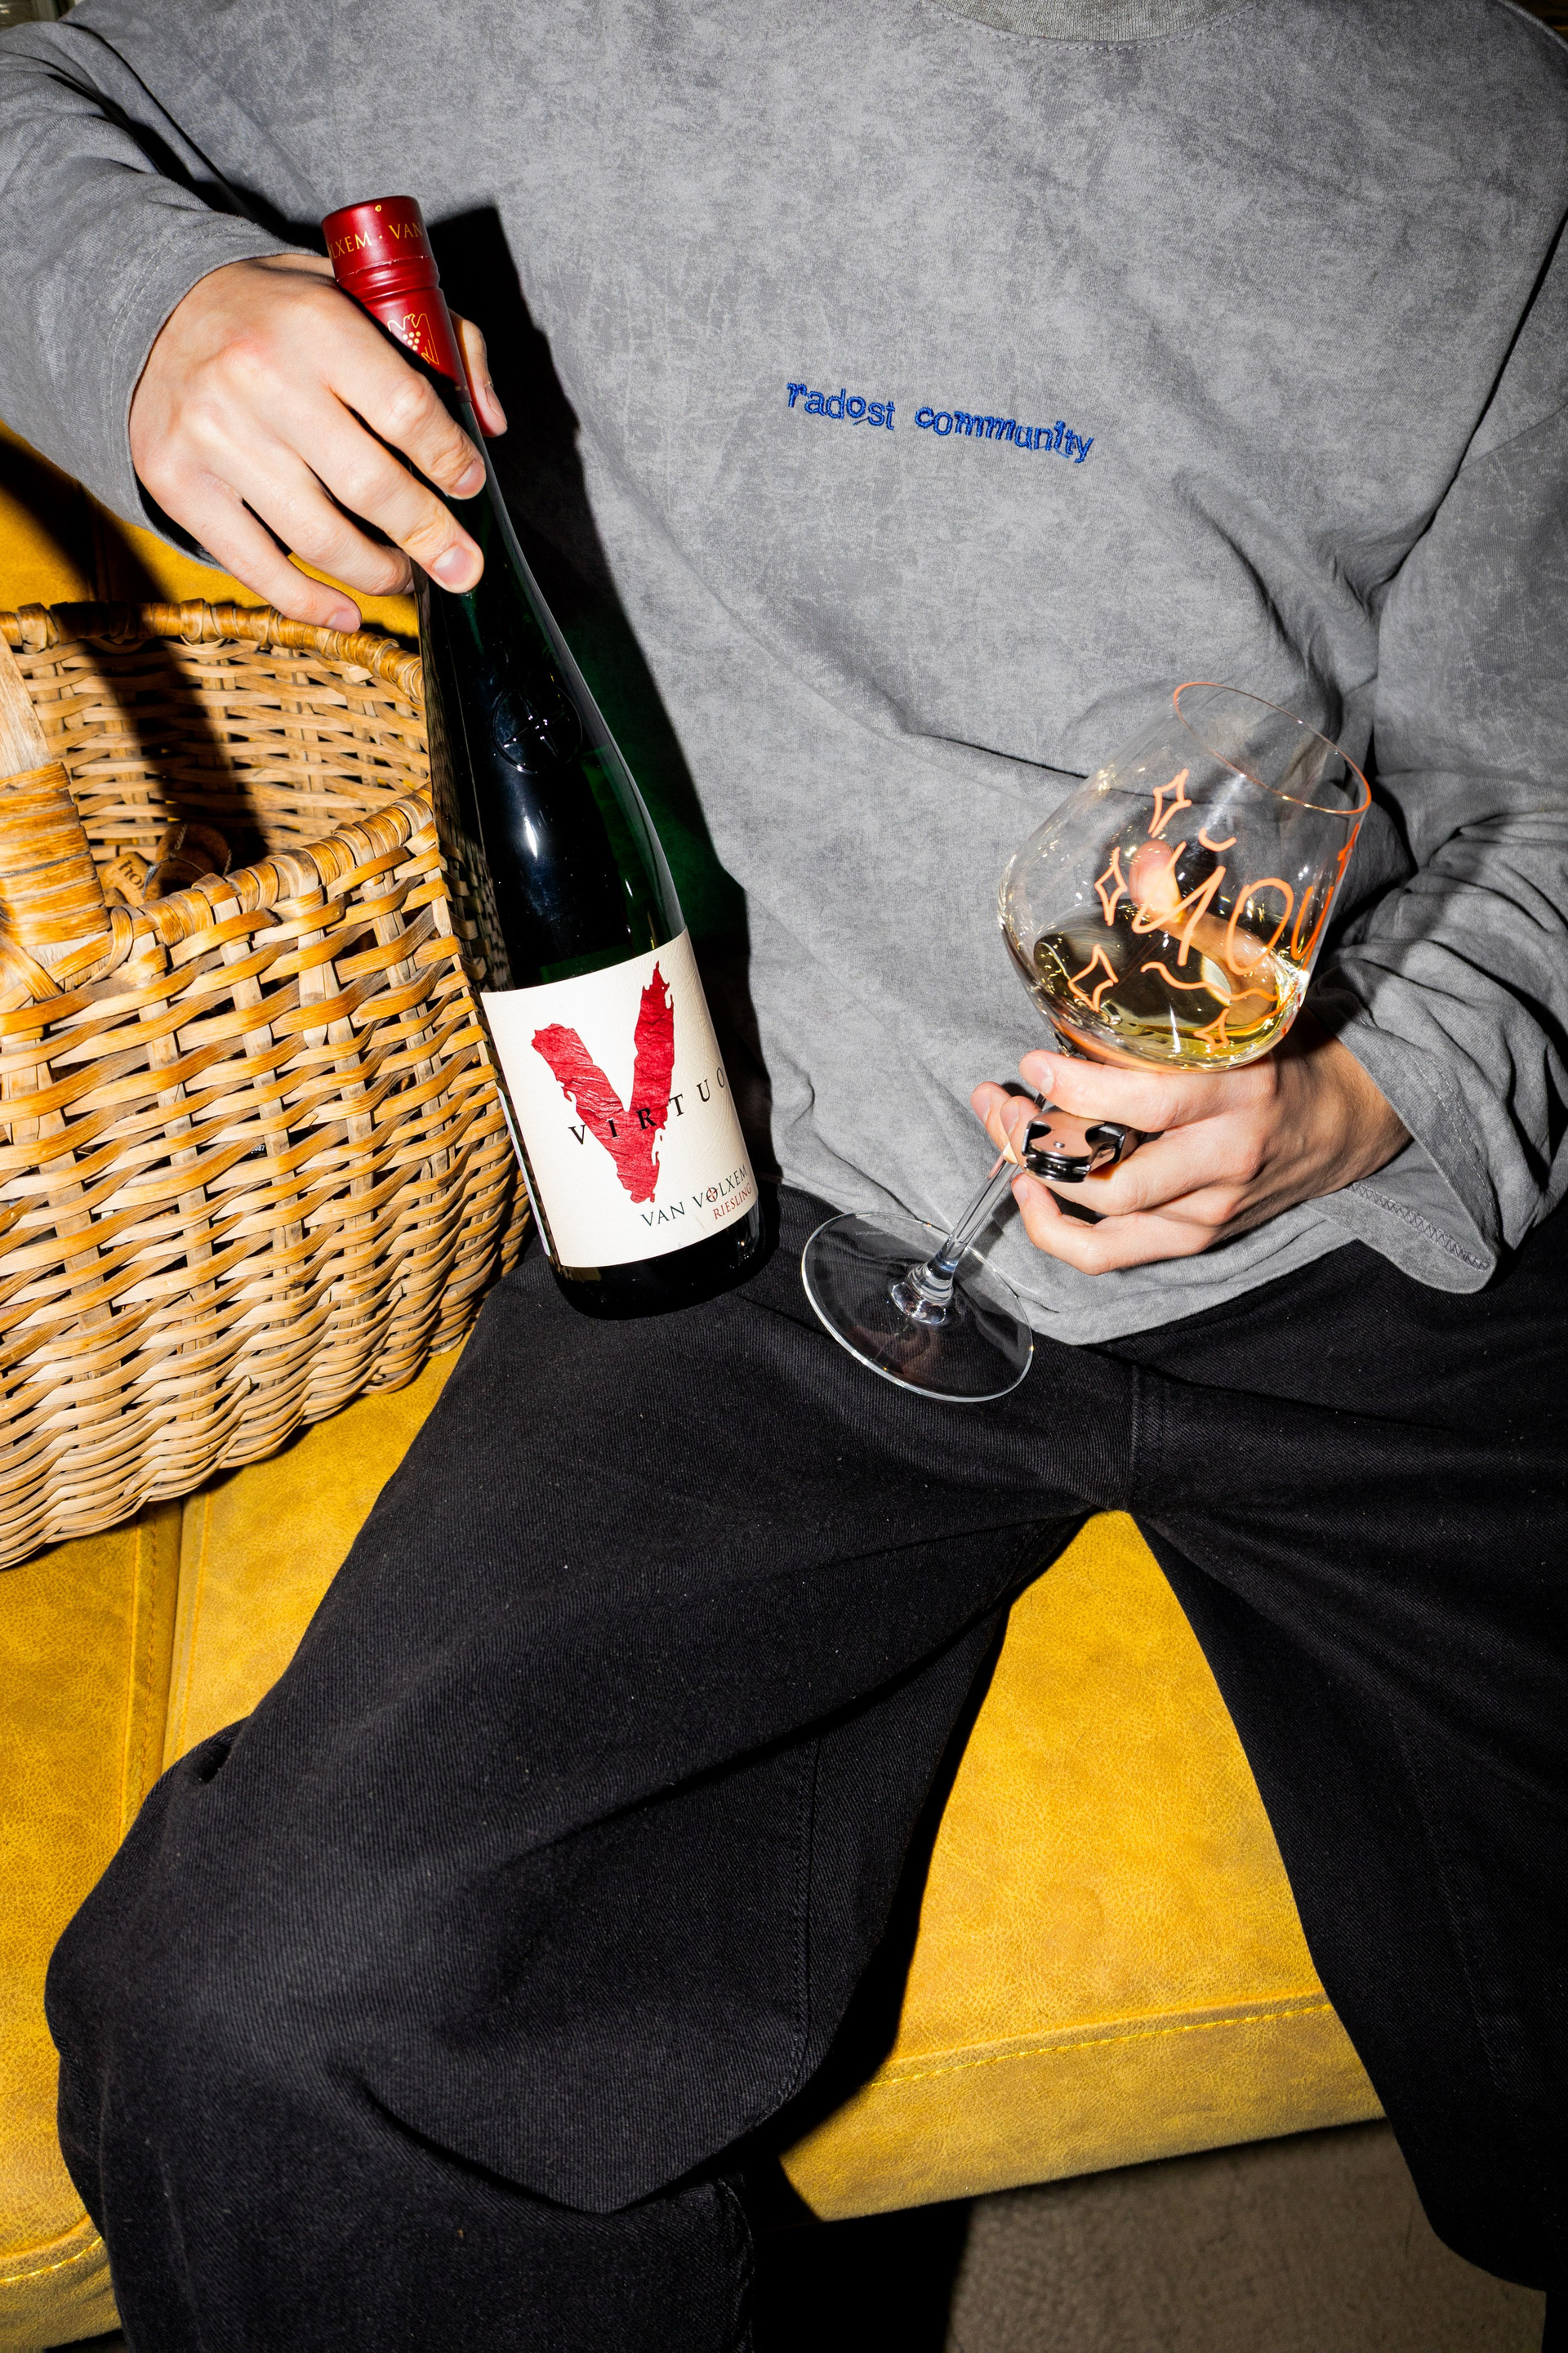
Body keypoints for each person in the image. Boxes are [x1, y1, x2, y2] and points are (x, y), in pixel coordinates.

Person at [1, 0, 1564, 2344]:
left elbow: (1545, 771)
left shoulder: (1500, 121)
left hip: (1375, 1189)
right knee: (265, 2027)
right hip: (759, 1190)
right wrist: (148, 311)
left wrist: (1372, 1089)